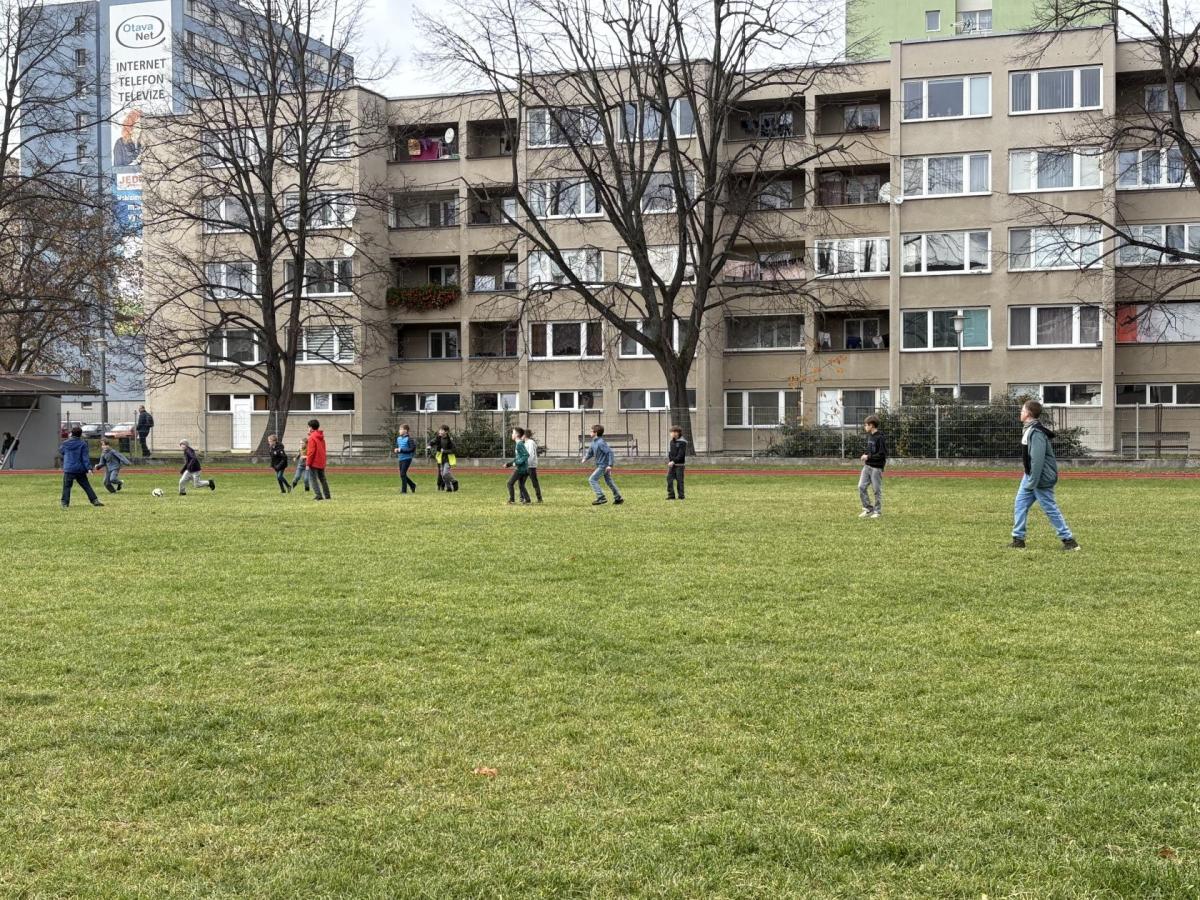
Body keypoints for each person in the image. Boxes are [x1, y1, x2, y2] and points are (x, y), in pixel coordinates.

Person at [1011, 400, 1080, 551]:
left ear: (1028, 413)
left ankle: (1069, 541)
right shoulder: (1029, 429)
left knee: (1049, 508)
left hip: (1039, 478)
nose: (1020, 413)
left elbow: (1037, 460)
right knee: (1020, 504)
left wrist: (1033, 481)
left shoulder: (1036, 433)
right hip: (1030, 476)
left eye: (1022, 410)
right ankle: (1018, 539)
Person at [60, 426, 102, 508]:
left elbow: (61, 451)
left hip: (69, 468)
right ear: (80, 434)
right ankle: (94, 500)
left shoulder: (65, 443)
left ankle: (65, 503)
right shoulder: (83, 444)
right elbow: (85, 458)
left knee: (67, 486)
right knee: (86, 485)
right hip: (80, 469)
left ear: (71, 433)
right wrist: (89, 468)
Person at [582, 423, 623, 506]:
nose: (590, 432)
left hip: (603, 466)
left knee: (592, 479)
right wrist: (585, 458)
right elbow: (590, 452)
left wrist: (610, 465)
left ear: (596, 433)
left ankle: (601, 497)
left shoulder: (601, 443)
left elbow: (609, 453)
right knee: (609, 481)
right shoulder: (594, 442)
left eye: (591, 431)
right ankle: (618, 498)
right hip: (601, 465)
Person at [857, 414, 886, 519]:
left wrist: (868, 456)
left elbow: (882, 454)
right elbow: (870, 450)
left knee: (876, 490)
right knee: (861, 486)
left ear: (872, 425)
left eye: (866, 425)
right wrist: (865, 454)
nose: (865, 427)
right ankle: (868, 508)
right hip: (867, 466)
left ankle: (877, 511)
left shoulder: (880, 438)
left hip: (876, 468)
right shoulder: (870, 436)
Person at [306, 419, 331, 501]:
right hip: (321, 460)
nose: (307, 428)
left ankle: (318, 495)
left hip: (314, 461)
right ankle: (327, 495)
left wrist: (308, 463)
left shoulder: (311, 438)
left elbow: (311, 452)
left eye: (308, 427)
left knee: (313, 479)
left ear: (311, 428)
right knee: (323, 479)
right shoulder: (321, 437)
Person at [428, 425, 458, 492]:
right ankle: (449, 488)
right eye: (440, 430)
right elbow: (432, 442)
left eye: (442, 430)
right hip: (440, 459)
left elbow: (454, 450)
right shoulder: (438, 438)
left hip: (448, 459)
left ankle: (454, 481)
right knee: (442, 475)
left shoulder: (450, 440)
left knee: (445, 473)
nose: (440, 431)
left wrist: (444, 451)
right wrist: (429, 445)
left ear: (446, 432)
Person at [506, 426, 531, 504]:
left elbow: (526, 455)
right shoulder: (519, 443)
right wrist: (509, 464)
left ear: (517, 435)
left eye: (513, 433)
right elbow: (518, 457)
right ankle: (527, 500)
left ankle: (512, 500)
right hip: (524, 468)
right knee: (521, 485)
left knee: (510, 483)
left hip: (521, 469)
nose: (512, 434)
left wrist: (517, 463)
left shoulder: (519, 444)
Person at [393, 424, 418, 494]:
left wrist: (401, 450)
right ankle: (412, 485)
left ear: (405, 431)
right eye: (399, 429)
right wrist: (396, 449)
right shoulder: (398, 438)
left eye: (401, 429)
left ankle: (404, 491)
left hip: (407, 458)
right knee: (402, 474)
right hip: (400, 458)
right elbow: (398, 447)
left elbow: (412, 449)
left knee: (402, 474)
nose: (399, 431)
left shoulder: (409, 439)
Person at [666, 425, 687, 500]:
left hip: (679, 465)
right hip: (672, 465)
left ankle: (681, 496)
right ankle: (671, 495)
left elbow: (681, 455)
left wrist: (674, 461)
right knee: (669, 479)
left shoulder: (683, 442)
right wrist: (671, 461)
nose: (672, 433)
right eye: (671, 432)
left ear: (678, 433)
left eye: (674, 432)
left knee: (679, 481)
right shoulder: (671, 442)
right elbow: (671, 453)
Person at [523, 428, 543, 503]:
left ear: (525, 435)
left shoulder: (530, 442)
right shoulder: (525, 443)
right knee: (521, 482)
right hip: (525, 466)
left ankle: (539, 498)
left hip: (530, 466)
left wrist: (528, 463)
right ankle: (524, 498)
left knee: (534, 483)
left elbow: (531, 454)